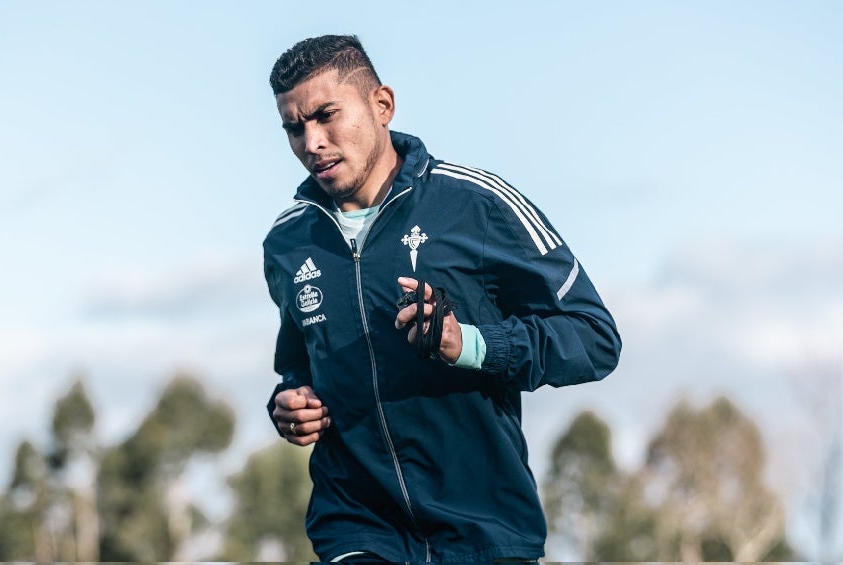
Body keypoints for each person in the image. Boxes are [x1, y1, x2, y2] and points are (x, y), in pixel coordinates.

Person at [263, 35, 621, 562]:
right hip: (356, 530)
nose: (311, 141)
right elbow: (298, 366)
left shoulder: (476, 205)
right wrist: (290, 404)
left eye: (325, 116)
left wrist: (470, 344)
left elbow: (594, 339)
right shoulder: (288, 242)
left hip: (484, 531)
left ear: (381, 105)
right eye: (294, 127)